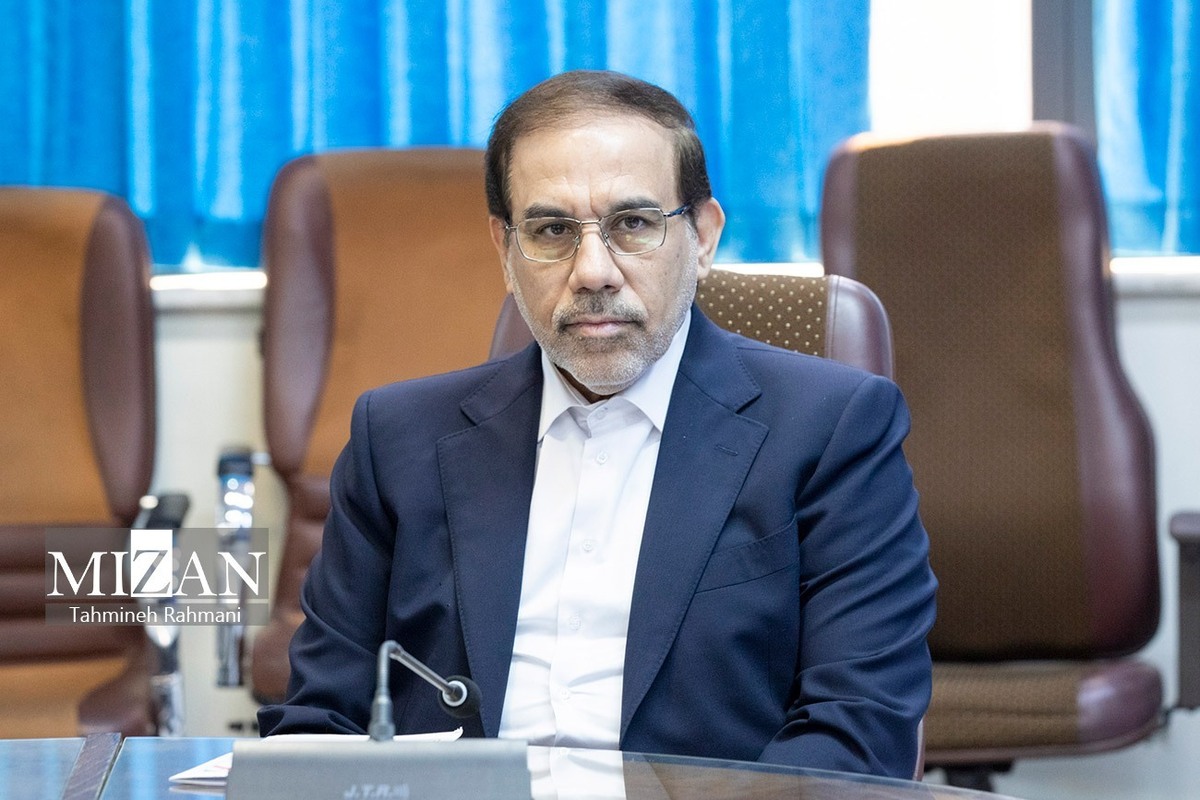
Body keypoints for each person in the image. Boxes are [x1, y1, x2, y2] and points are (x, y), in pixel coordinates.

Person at [258, 69, 937, 779]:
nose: (592, 271)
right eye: (552, 231)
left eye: (633, 224)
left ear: (704, 236)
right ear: (505, 251)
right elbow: (318, 722)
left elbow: (858, 733)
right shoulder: (397, 439)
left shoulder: (832, 429)